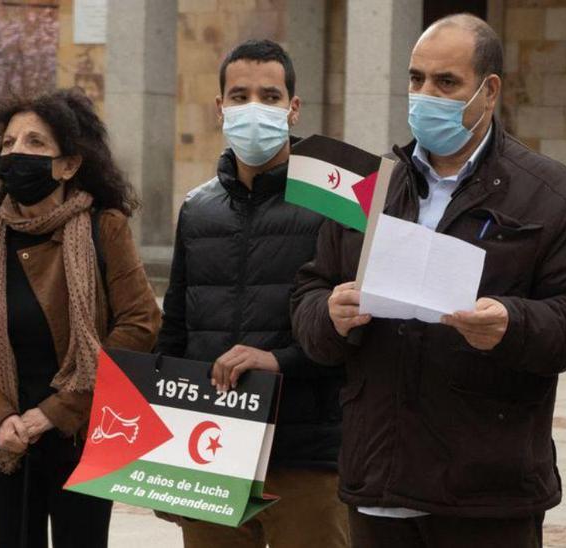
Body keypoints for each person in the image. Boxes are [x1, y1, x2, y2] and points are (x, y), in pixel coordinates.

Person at [290, 14, 566, 548]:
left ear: (490, 91)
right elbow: (309, 291)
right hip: (379, 481)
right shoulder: (371, 188)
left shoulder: (552, 195)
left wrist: (512, 323)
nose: (425, 95)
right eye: (416, 80)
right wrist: (329, 314)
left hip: (487, 493)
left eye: (446, 83)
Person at [154, 39, 349, 547]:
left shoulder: (337, 207)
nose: (253, 108)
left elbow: (355, 333)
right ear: (219, 108)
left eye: (270, 95)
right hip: (211, 451)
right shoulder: (198, 209)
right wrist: (163, 460)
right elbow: (174, 332)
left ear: (293, 107)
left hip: (305, 454)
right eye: (239, 96)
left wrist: (279, 361)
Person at [0, 90, 161, 548]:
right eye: (7, 143)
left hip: (82, 434)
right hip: (8, 442)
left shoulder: (106, 227)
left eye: (34, 143)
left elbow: (140, 325)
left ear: (68, 164)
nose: (15, 153)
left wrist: (55, 411)